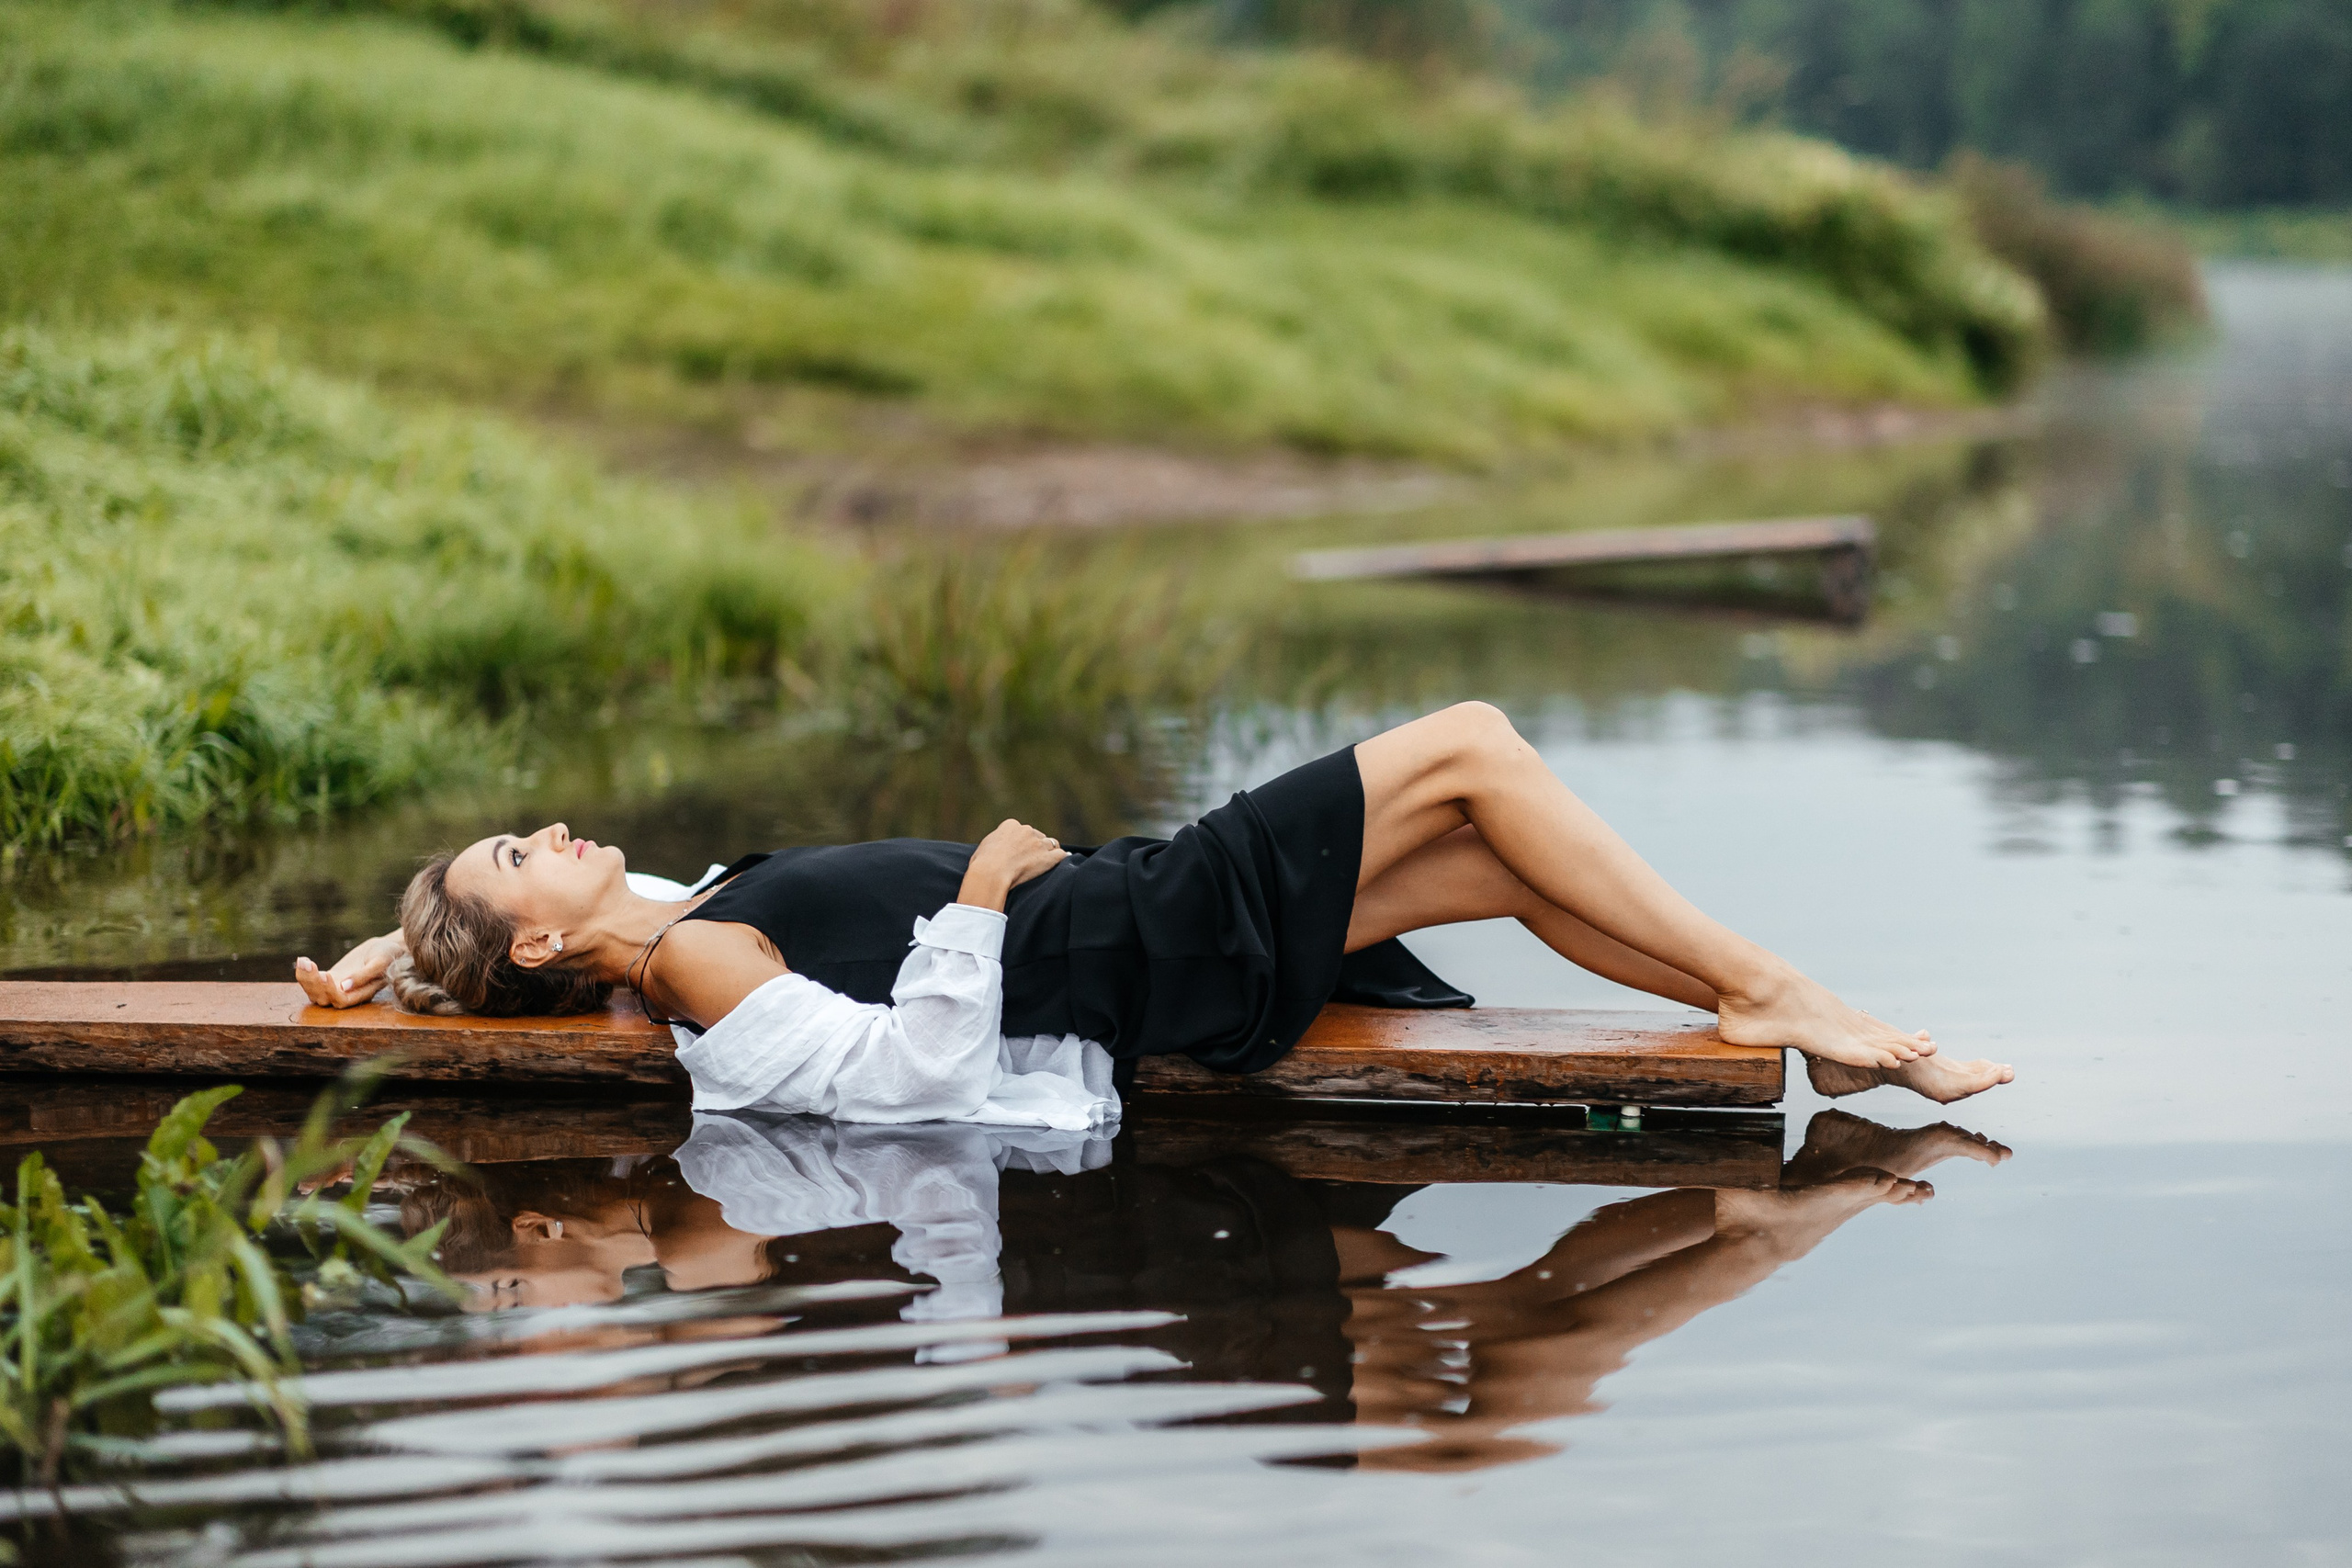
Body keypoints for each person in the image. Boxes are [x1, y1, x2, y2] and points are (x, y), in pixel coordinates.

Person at [297, 703, 2014, 1119]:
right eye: (519, 859)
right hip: (1123, 936)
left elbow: (647, 928)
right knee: (1477, 748)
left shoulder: (675, 921)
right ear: (541, 937)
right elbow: (910, 1075)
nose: (551, 832)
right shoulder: (687, 961)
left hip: (1119, 919)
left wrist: (396, 961)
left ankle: (1766, 1007)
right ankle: (1782, 987)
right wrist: (978, 896)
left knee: (1493, 852)